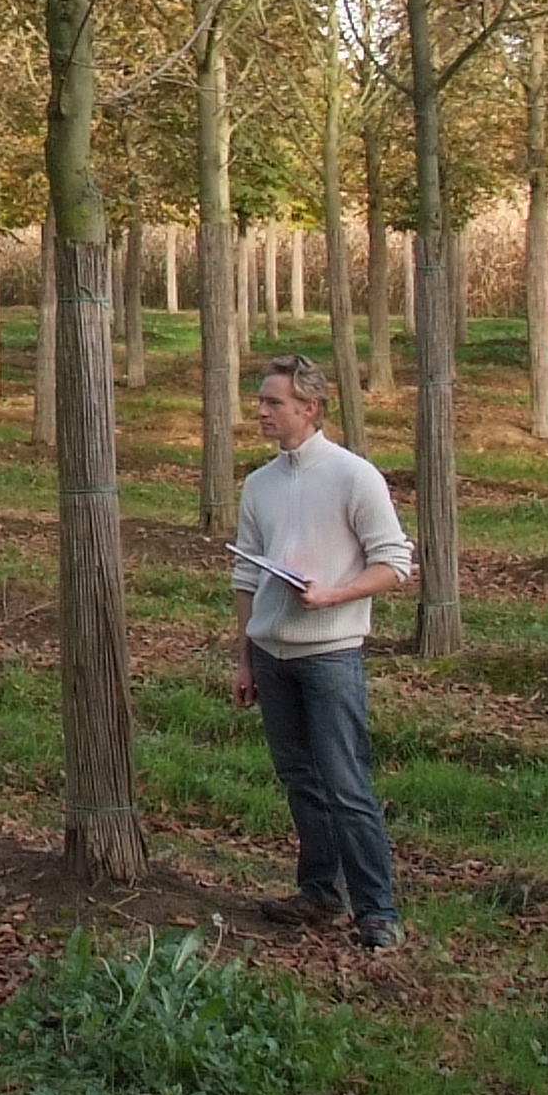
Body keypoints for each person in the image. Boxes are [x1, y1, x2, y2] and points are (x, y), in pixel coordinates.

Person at [227, 354, 415, 949]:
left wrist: (335, 594)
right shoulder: (259, 484)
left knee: (345, 784)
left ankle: (377, 910)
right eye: (260, 401)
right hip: (273, 657)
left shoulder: (354, 477)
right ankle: (317, 893)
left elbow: (395, 564)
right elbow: (245, 577)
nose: (260, 411)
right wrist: (246, 656)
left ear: (309, 408)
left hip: (331, 654)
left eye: (273, 402)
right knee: (300, 780)